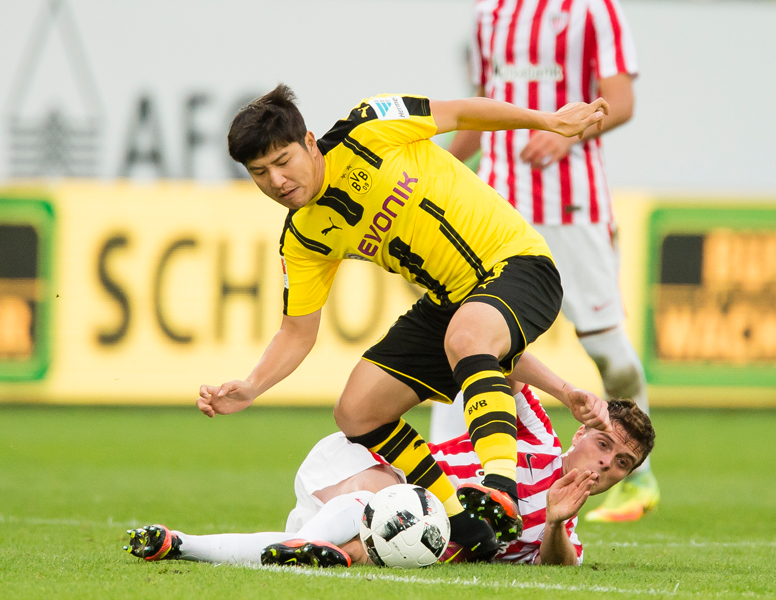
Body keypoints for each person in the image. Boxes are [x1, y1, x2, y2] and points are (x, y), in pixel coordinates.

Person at [196, 84, 609, 557]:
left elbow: (462, 112)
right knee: (357, 411)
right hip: (451, 302)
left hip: (519, 265)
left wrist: (547, 120)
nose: (277, 181)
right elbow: (296, 332)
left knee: (468, 335)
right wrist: (252, 386)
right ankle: (461, 523)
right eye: (259, 173)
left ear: (310, 142)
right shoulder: (304, 238)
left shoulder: (369, 127)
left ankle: (500, 489)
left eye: (284, 161)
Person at [438, 0, 659, 523]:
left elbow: (621, 102)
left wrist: (569, 134)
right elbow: (476, 117)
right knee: (464, 341)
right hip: (494, 209)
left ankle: (639, 477)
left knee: (611, 355)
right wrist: (431, 173)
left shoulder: (594, 10)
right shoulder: (489, 14)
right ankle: (451, 488)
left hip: (570, 204)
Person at [125, 384, 655, 567]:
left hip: (383, 520)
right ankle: (308, 550)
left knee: (352, 547)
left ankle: (179, 544)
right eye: (604, 444)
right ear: (580, 434)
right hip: (363, 462)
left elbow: (556, 568)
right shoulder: (536, 437)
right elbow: (505, 361)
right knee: (396, 503)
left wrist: (557, 523)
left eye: (621, 464)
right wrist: (565, 391)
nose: (605, 464)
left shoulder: (564, 531)